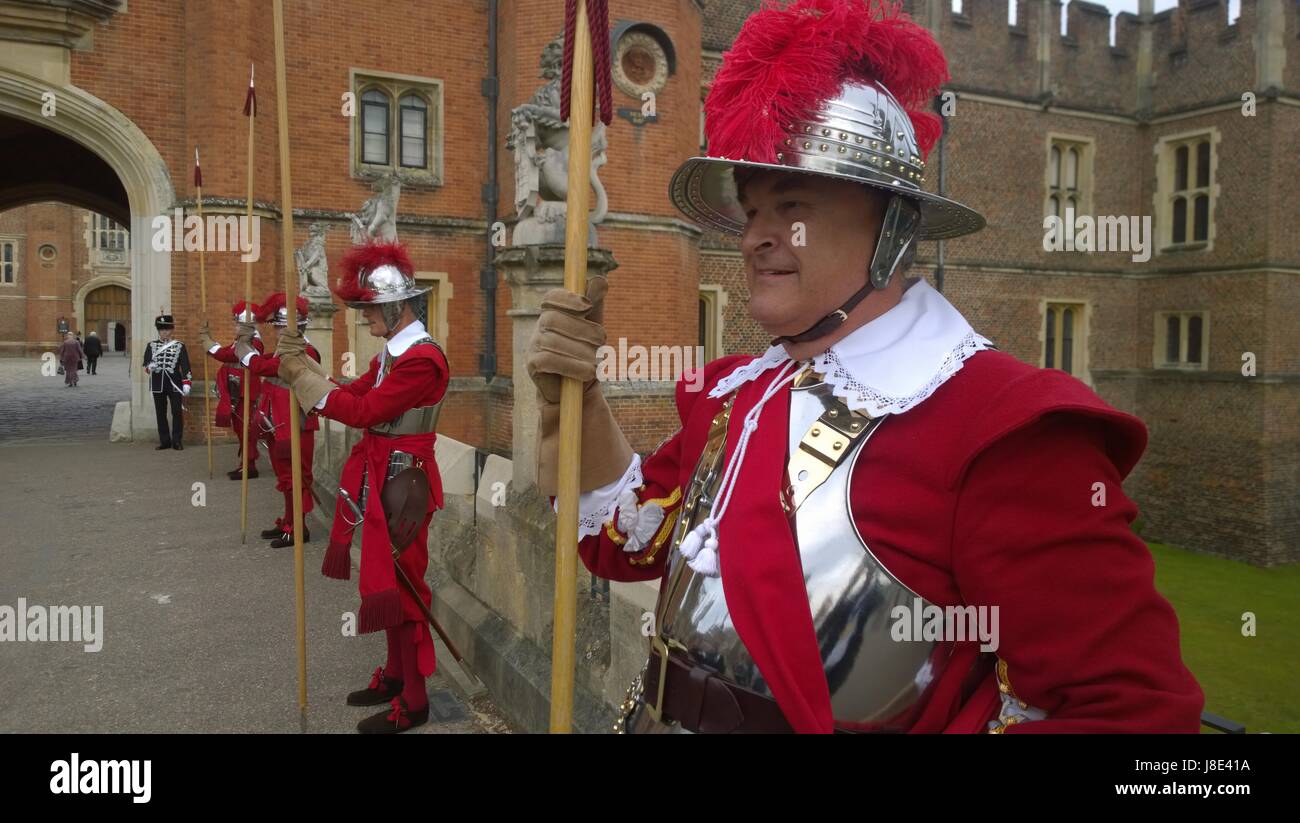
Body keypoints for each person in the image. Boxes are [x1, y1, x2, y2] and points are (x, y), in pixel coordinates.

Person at [525, 0, 1203, 734]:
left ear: (894, 227)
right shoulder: (736, 397)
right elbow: (622, 541)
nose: (757, 237)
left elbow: (1135, 714)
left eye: (792, 204)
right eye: (751, 211)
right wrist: (580, 397)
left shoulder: (1000, 426)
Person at [274, 240, 449, 734]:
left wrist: (304, 384)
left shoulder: (422, 359)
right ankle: (395, 676)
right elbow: (351, 391)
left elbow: (365, 413)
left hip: (406, 484)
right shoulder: (392, 356)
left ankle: (414, 702)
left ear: (396, 309)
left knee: (407, 589)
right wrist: (304, 370)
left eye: (371, 312)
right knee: (389, 584)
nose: (366, 321)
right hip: (383, 475)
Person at [236, 294, 319, 548]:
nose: (276, 330)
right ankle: (288, 521)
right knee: (285, 477)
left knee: (296, 478)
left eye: (280, 325)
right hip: (279, 424)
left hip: (296, 425)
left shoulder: (304, 352)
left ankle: (298, 527)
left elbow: (263, 367)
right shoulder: (283, 351)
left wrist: (244, 346)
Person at [199, 302, 263, 480]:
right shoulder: (242, 340)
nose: (235, 327)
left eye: (238, 324)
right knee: (241, 429)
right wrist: (209, 341)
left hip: (246, 391)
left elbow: (226, 355)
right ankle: (245, 464)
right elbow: (226, 353)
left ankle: (249, 466)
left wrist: (207, 340)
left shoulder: (253, 342)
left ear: (246, 326)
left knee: (246, 430)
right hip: (238, 390)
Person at [143, 313, 191, 450]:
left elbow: (186, 365)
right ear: (158, 331)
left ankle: (177, 440)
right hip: (158, 384)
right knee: (160, 412)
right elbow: (146, 363)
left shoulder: (179, 346)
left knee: (177, 412)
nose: (164, 332)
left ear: (171, 330)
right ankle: (165, 441)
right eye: (162, 330)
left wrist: (186, 382)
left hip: (175, 383)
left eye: (167, 329)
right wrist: (149, 366)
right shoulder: (151, 345)